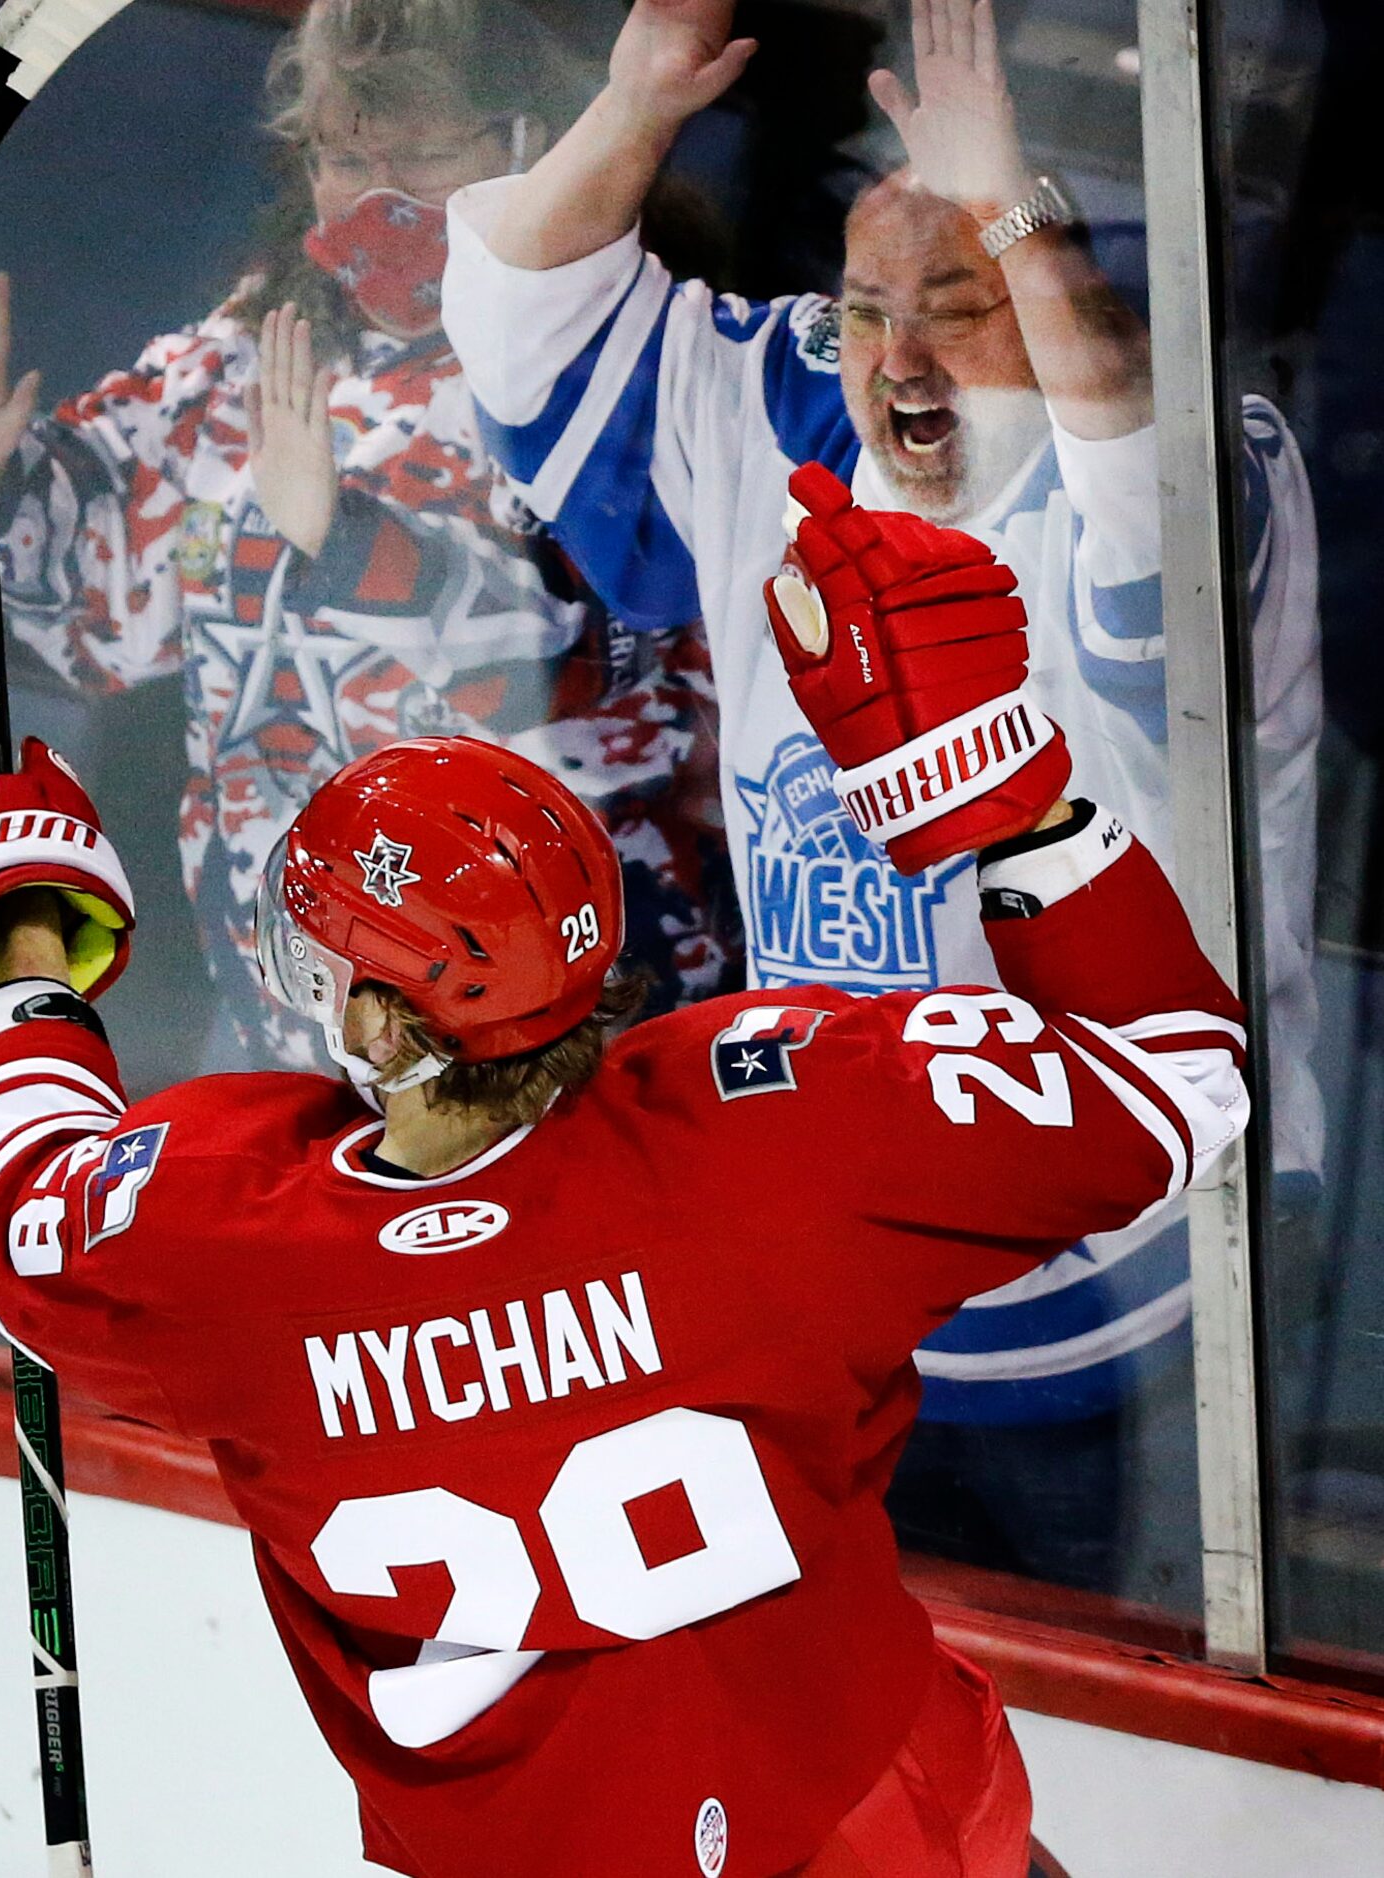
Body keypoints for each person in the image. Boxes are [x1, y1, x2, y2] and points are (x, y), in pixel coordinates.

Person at [0, 474, 1249, 1876]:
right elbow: (1180, 1080)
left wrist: (16, 942)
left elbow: (19, 1197)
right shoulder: (790, 1122)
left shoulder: (225, 1246)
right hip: (883, 1817)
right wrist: (1007, 789)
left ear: (375, 1024)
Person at [439, 0, 1321, 1595]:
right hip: (847, 1273)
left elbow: (1122, 408)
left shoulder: (1196, 458)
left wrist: (1015, 204)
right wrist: (640, 99)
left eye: (955, 301)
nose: (897, 357)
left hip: (1142, 1286)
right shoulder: (790, 404)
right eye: (862, 308)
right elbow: (519, 301)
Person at [0, 0, 735, 1071]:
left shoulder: (617, 349)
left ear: (530, 142)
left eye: (426, 155)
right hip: (293, 1018)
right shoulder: (244, 352)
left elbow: (603, 651)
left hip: (564, 1021)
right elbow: (95, 618)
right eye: (346, 158)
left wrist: (352, 545)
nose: (382, 198)